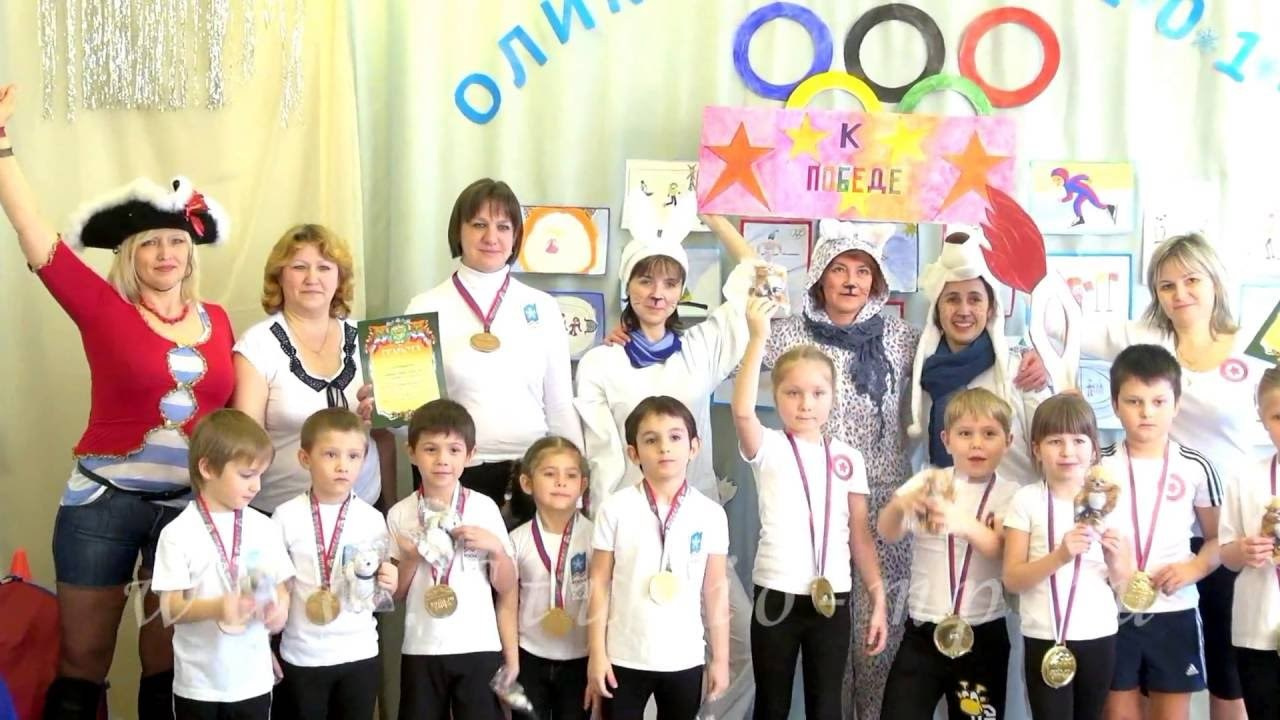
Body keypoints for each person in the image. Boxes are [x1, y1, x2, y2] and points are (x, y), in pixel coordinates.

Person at [0, 84, 237, 718]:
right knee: (83, 662)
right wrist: (1, 148)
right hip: (101, 506)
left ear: (190, 253)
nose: (166, 253)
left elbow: (239, 421)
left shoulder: (219, 320)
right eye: (151, 243)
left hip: (185, 512)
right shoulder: (103, 309)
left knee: (169, 663)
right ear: (131, 253)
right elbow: (35, 234)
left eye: (176, 242)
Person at [1029, 233, 1269, 719]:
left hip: (1227, 527)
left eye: (1191, 280)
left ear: (1215, 281)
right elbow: (1060, 322)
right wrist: (1043, 353)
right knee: (1132, 673)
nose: (1180, 294)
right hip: (1156, 529)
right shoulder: (1145, 337)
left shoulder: (1254, 345)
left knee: (1228, 672)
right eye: (1166, 285)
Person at [574, 202, 759, 718]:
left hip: (696, 527)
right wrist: (613, 526)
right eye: (645, 280)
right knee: (634, 655)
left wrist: (717, 216)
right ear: (627, 286)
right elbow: (598, 454)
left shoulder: (700, 348)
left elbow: (757, 278)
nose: (658, 293)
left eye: (671, 282)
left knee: (740, 644)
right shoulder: (600, 362)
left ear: (681, 291)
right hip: (630, 529)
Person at [762, 219, 917, 720]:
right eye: (839, 269)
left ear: (877, 281)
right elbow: (722, 353)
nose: (851, 281)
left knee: (879, 631)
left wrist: (1025, 362)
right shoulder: (787, 334)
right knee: (824, 646)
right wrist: (636, 331)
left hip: (884, 503)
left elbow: (958, 357)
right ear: (818, 276)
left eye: (863, 271)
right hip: (810, 510)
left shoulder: (901, 336)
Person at [731, 296, 886, 720]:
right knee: (772, 706)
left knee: (826, 708)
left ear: (833, 396)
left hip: (832, 597)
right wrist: (758, 338)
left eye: (818, 393)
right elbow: (742, 412)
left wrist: (878, 598)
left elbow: (860, 535)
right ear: (776, 395)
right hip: (775, 594)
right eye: (793, 393)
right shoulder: (768, 447)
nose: (805, 404)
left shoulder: (849, 458)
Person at [398, 179, 582, 522]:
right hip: (453, 475)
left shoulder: (542, 307)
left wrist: (577, 481)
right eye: (479, 224)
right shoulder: (422, 308)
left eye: (503, 226)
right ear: (459, 231)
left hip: (535, 474)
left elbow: (560, 404)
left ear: (516, 236)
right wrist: (384, 408)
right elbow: (410, 418)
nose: (491, 237)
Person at [879, 388, 1021, 720]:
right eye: (965, 434)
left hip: (982, 633)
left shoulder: (1012, 495)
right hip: (923, 630)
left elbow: (1000, 550)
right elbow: (887, 531)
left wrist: (962, 522)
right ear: (946, 440)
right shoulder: (928, 483)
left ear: (1008, 441)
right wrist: (900, 506)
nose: (976, 444)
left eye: (989, 434)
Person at [234, 224, 395, 513]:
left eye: (324, 268)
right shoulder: (256, 345)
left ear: (339, 278)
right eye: (299, 267)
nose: (312, 278)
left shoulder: (371, 340)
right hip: (278, 513)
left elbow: (385, 437)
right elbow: (246, 444)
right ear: (279, 276)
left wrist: (392, 507)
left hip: (363, 510)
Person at [587, 397, 730, 720]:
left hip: (685, 657)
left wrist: (720, 659)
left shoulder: (711, 514)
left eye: (675, 437)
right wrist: (597, 654)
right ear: (634, 453)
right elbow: (598, 583)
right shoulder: (615, 508)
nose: (664, 447)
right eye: (651, 440)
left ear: (694, 447)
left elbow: (716, 590)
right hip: (623, 657)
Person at [1099, 345, 1221, 720]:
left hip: (1175, 609)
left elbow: (1219, 539)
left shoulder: (1196, 466)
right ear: (1115, 404)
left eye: (1158, 401)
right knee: (1118, 714)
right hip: (1110, 610)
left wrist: (1194, 568)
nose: (1146, 412)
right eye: (1134, 401)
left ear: (1176, 404)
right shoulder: (1096, 465)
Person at [151, 410, 294, 720]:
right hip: (199, 685)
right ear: (207, 468)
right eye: (246, 475)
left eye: (260, 475)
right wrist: (217, 607)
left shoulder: (265, 528)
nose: (256, 486)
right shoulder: (177, 534)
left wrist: (280, 609)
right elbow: (169, 609)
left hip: (254, 682)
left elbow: (281, 586)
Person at [1002, 394, 1132, 720]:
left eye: (1078, 440)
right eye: (1055, 441)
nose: (1067, 451)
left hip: (1099, 633)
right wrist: (1060, 555)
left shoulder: (1110, 503)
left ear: (1094, 448)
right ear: (1036, 449)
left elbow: (1125, 586)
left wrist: (1116, 560)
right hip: (1044, 636)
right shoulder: (1026, 500)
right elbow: (1012, 579)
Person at [386, 400, 518, 720]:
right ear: (411, 452)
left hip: (478, 644)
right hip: (421, 646)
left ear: (470, 455)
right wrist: (411, 558)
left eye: (454, 450)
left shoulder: (484, 507)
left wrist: (496, 550)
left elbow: (506, 585)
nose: (442, 459)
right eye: (430, 449)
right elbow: (396, 594)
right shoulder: (400, 513)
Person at [271, 408, 398, 720]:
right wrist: (264, 646)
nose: (343, 466)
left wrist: (389, 583)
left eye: (354, 456)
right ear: (305, 458)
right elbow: (271, 591)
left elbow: (378, 594)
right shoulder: (284, 517)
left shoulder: (373, 519)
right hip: (301, 656)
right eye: (330, 454)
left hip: (360, 653)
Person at [908, 227, 1043, 479]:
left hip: (1014, 502)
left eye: (975, 299)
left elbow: (1049, 448)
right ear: (937, 310)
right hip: (946, 500)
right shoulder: (922, 376)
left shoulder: (1021, 369)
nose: (963, 310)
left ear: (991, 309)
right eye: (952, 299)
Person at [509, 437, 593, 720]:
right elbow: (507, 605)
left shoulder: (596, 538)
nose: (561, 482)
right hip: (529, 656)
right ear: (527, 483)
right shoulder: (516, 541)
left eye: (571, 475)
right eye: (549, 474)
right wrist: (511, 658)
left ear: (582, 485)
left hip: (581, 658)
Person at [1219, 366, 1280, 719]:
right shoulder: (1245, 478)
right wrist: (1243, 550)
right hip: (1257, 629)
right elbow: (1226, 555)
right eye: (1278, 417)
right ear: (1262, 417)